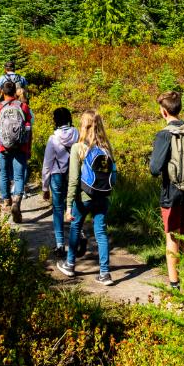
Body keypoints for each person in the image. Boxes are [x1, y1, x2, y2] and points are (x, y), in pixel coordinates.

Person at [148, 91, 184, 291]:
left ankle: (174, 286)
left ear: (164, 112)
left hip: (171, 192)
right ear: (179, 109)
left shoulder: (165, 135)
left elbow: (155, 169)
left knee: (172, 237)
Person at [57, 109, 115, 286]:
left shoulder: (78, 148)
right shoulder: (107, 148)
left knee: (75, 227)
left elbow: (73, 179)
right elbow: (114, 175)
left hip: (84, 197)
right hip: (103, 196)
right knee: (101, 233)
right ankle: (105, 273)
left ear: (84, 125)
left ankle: (70, 264)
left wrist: (68, 205)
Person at [0, 80, 31, 223]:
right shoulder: (24, 107)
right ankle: (17, 202)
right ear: (15, 91)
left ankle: (7, 202)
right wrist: (28, 148)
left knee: (4, 175)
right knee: (19, 177)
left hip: (2, 147)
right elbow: (29, 130)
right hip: (21, 147)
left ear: (3, 92)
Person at [42, 107, 78, 259]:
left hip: (57, 176)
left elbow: (47, 164)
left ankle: (60, 245)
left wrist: (45, 186)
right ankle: (79, 236)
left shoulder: (53, 138)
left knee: (58, 209)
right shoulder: (77, 133)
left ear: (55, 120)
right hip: (75, 174)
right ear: (69, 118)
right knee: (75, 205)